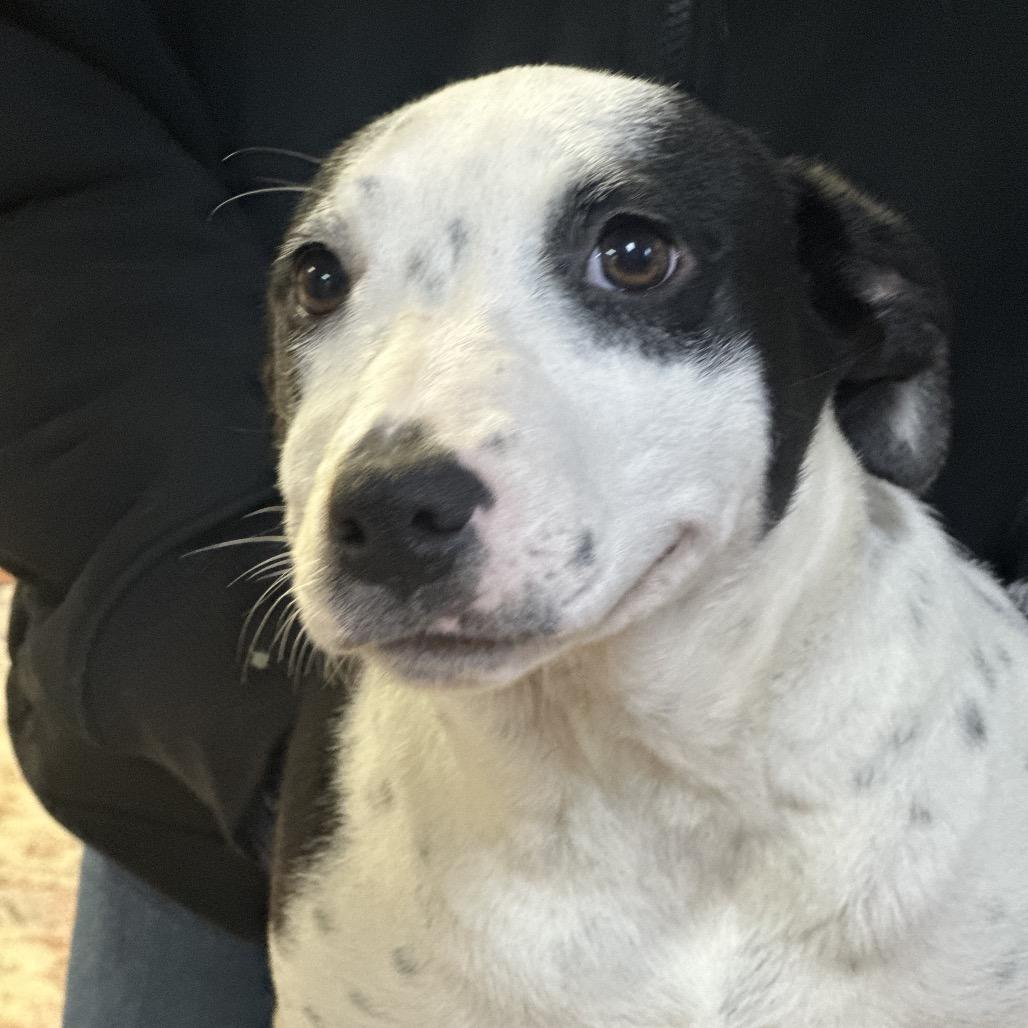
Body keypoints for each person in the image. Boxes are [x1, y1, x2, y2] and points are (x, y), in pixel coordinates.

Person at [1, 2, 1025, 1025]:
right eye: (325, 282)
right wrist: (207, 652)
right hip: (271, 815)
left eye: (633, 258)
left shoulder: (993, 851)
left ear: (857, 322)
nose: (400, 480)